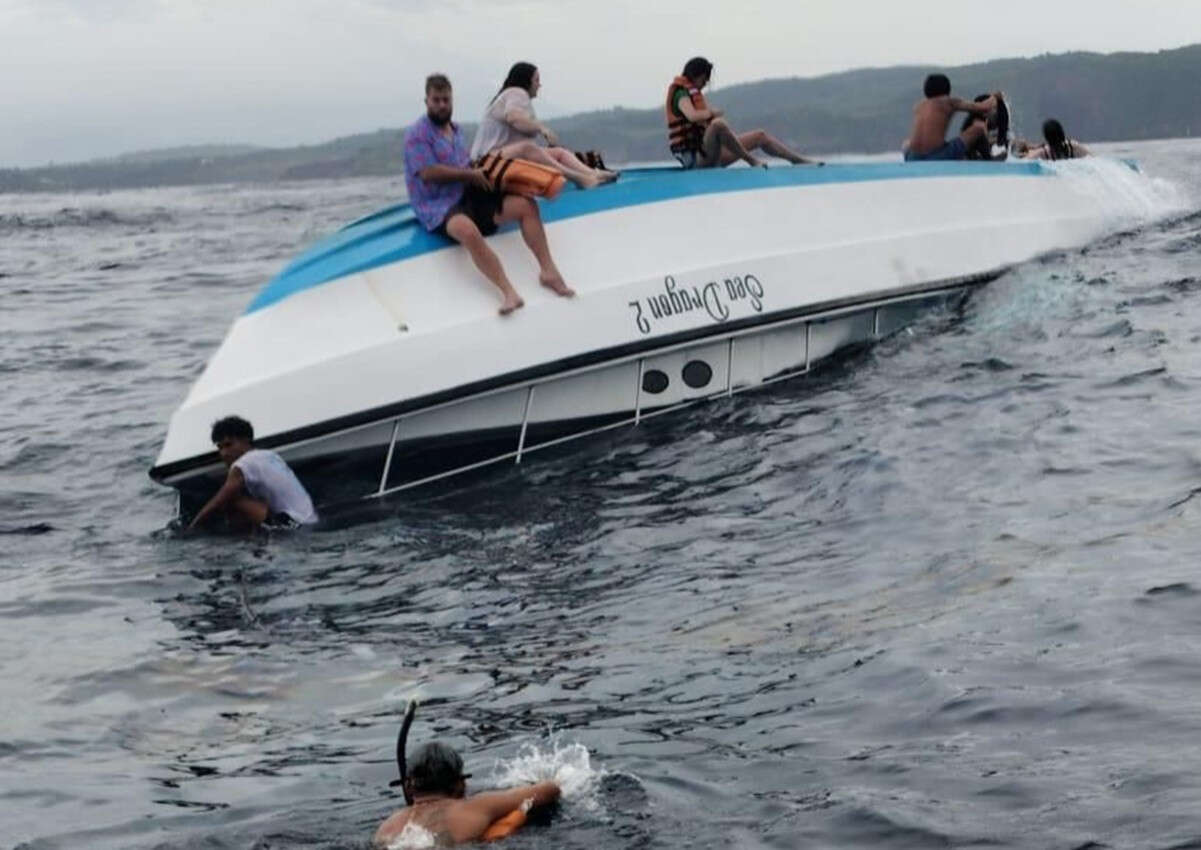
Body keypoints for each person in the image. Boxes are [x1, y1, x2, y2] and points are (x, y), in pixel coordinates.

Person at [404, 73, 573, 315]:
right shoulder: (416, 135)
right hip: (437, 205)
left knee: (525, 206)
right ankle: (508, 292)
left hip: (467, 192)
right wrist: (470, 176)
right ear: (426, 101)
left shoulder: (456, 130)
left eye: (446, 100)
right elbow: (428, 173)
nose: (442, 105)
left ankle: (549, 271)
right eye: (436, 100)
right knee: (467, 230)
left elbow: (465, 163)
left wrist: (487, 173)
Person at [372, 742, 561, 847]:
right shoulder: (477, 806)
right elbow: (550, 790)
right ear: (460, 783)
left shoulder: (387, 828)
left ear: (408, 788)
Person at [470, 62, 617, 188]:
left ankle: (592, 173)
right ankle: (579, 178)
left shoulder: (512, 96)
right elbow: (513, 117)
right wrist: (541, 128)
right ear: (526, 82)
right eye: (536, 80)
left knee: (559, 153)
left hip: (501, 156)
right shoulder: (516, 92)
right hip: (485, 162)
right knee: (528, 148)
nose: (539, 85)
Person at [666, 56, 820, 169]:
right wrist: (711, 112)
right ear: (695, 75)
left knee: (760, 136)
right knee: (718, 124)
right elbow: (692, 116)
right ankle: (751, 160)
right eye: (704, 80)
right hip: (695, 160)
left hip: (711, 154)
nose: (705, 84)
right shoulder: (680, 94)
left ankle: (798, 160)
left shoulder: (694, 93)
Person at [186, 416, 318, 533]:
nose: (224, 453)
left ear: (246, 440)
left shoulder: (243, 464)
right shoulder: (270, 455)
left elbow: (220, 500)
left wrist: (192, 527)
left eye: (228, 445)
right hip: (310, 520)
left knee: (232, 498)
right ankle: (251, 536)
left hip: (292, 525)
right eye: (220, 448)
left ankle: (234, 537)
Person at [903, 74, 1000, 161]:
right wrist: (995, 96)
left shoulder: (919, 106)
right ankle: (987, 157)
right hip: (937, 157)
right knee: (979, 127)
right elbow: (984, 108)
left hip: (912, 158)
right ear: (947, 89)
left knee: (906, 143)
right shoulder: (949, 102)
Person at [1021, 119, 1091, 160]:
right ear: (1062, 133)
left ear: (1047, 138)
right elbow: (1093, 158)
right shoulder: (1074, 147)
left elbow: (1026, 160)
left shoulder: (1043, 153)